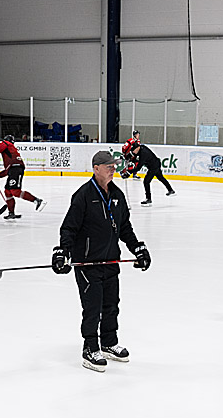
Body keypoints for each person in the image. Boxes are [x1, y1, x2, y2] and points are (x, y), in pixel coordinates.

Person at [53, 150, 151, 371]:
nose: (113, 169)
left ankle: (109, 343)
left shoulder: (117, 194)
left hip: (110, 262)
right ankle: (90, 348)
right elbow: (69, 227)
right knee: (92, 308)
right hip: (88, 263)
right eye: (109, 166)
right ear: (96, 169)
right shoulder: (84, 195)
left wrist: (138, 248)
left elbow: (124, 227)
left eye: (114, 166)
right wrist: (63, 251)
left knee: (111, 306)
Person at [0, 134, 45, 219]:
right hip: (14, 169)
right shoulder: (12, 156)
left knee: (15, 191)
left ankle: (37, 200)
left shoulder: (7, 144)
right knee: (8, 192)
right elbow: (8, 171)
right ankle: (11, 213)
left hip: (16, 169)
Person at [121, 131, 175, 206]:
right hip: (155, 163)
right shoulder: (140, 149)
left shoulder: (144, 154)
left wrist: (129, 172)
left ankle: (148, 199)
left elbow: (138, 167)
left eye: (133, 151)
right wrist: (127, 157)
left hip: (154, 166)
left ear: (137, 148)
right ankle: (170, 190)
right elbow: (134, 157)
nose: (133, 152)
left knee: (146, 181)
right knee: (160, 178)